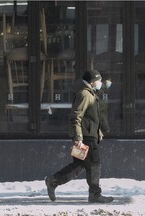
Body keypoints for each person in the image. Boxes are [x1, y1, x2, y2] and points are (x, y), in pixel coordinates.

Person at [45, 69, 114, 204]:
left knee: (79, 165)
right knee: (95, 164)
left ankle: (53, 181)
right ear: (93, 82)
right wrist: (78, 139)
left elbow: (92, 117)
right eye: (99, 81)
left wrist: (98, 130)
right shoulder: (84, 95)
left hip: (87, 134)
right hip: (85, 137)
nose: (100, 83)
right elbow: (76, 117)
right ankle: (95, 195)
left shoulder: (90, 93)